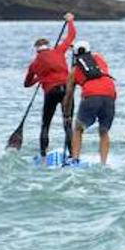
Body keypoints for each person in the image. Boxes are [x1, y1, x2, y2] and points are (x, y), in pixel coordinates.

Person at [23, 13, 77, 156]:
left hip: (51, 92)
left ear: (36, 48)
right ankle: (72, 154)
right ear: (47, 45)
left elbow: (26, 84)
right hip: (67, 90)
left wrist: (39, 78)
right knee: (68, 122)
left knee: (46, 124)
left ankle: (43, 155)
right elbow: (71, 36)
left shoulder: (34, 64)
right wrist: (70, 21)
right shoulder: (58, 51)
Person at [64, 40, 117, 165]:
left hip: (91, 96)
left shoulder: (74, 71)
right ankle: (103, 163)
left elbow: (69, 95)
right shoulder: (100, 58)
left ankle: (75, 160)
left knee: (78, 129)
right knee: (104, 131)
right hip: (110, 93)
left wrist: (66, 114)